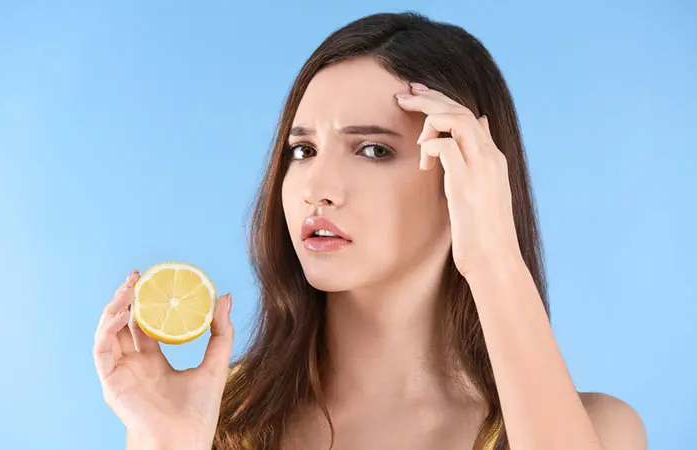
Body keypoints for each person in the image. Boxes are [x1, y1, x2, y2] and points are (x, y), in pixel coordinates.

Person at [93, 11, 647, 450]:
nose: (317, 186)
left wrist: (496, 258)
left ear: (469, 175)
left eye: (374, 149)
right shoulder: (208, 417)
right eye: (302, 150)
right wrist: (170, 443)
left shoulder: (600, 431)